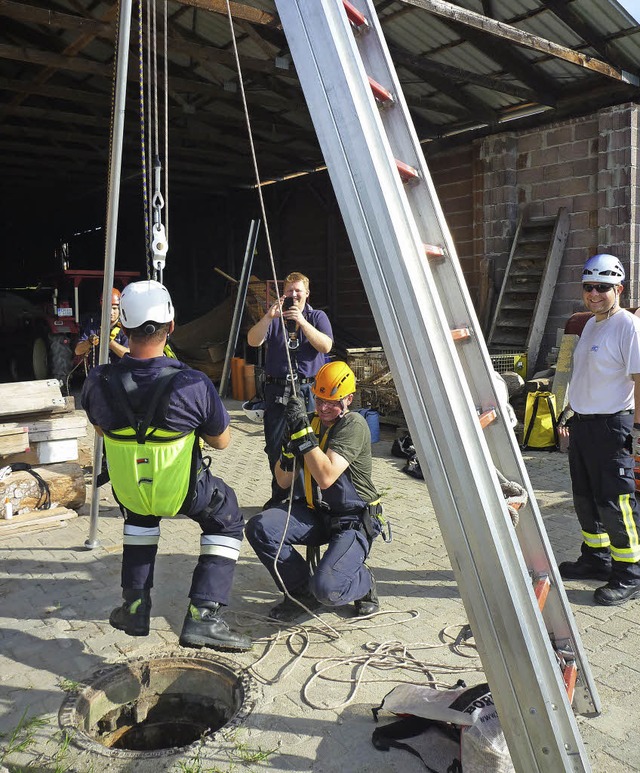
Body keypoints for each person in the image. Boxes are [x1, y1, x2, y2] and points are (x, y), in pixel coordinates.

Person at [81, 279, 251, 650]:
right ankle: (203, 617)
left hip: (130, 491)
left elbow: (99, 428)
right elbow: (222, 442)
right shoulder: (192, 383)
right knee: (227, 514)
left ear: (121, 328)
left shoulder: (98, 380)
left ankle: (134, 606)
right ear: (171, 326)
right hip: (183, 492)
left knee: (140, 520)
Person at [245, 361, 384, 622]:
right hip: (316, 514)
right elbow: (283, 481)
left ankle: (363, 581)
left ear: (349, 399)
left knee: (328, 589)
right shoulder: (311, 423)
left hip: (353, 522)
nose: (323, 408)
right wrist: (288, 448)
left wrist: (303, 435)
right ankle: (300, 592)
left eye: (331, 402)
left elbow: (326, 477)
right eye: (319, 400)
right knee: (260, 527)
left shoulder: (353, 425)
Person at [558, 253, 640, 606]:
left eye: (602, 287)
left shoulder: (628, 326)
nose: (594, 293)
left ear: (618, 289)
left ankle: (630, 574)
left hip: (611, 426)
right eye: (589, 286)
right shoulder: (590, 323)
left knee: (615, 503)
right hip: (583, 425)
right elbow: (582, 375)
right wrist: (566, 414)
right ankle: (596, 558)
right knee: (585, 498)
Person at [247, 272, 333, 508]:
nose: (293, 295)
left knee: (309, 445)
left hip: (307, 390)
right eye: (289, 291)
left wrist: (302, 322)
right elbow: (253, 341)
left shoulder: (316, 316)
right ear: (283, 293)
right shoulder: (274, 319)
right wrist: (267, 316)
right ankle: (280, 497)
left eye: (298, 290)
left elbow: (325, 345)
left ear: (307, 293)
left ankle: (309, 498)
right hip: (277, 391)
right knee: (276, 446)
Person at [74, 287, 129, 368]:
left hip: (119, 375)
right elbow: (78, 351)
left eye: (114, 308)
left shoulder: (125, 328)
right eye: (108, 308)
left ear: (120, 309)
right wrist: (89, 342)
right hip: (97, 374)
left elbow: (128, 355)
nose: (111, 312)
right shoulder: (94, 326)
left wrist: (109, 342)